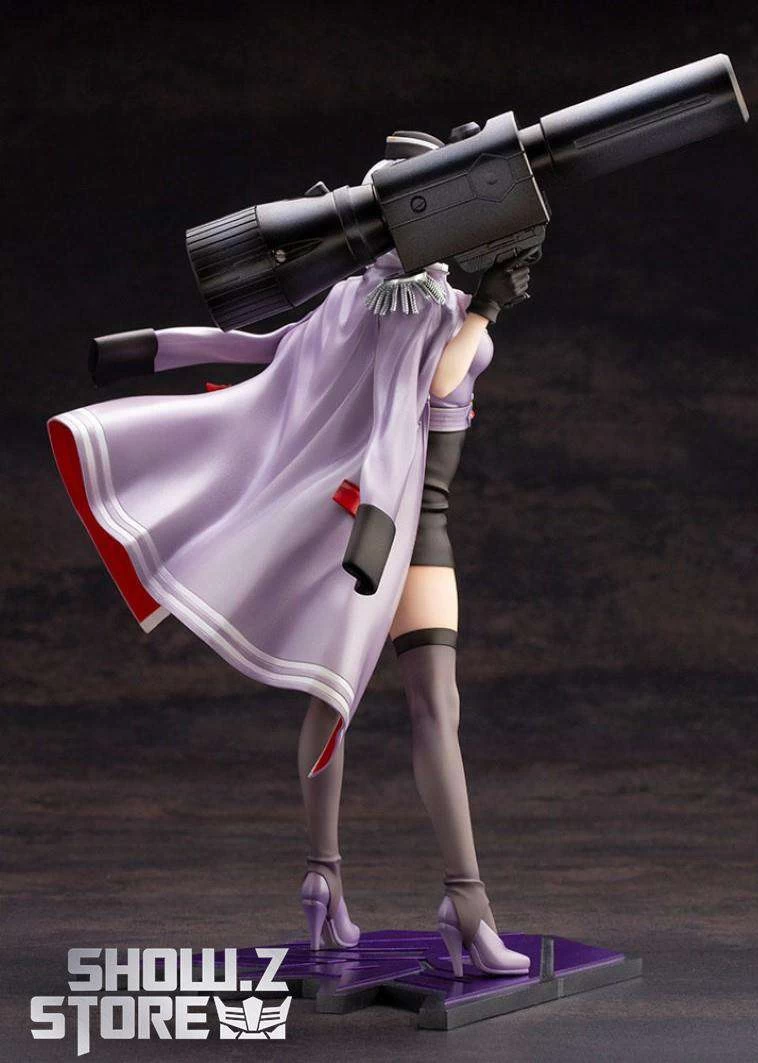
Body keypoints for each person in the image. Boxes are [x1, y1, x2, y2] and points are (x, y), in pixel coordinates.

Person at [47, 129, 534, 978]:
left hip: (360, 526)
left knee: (332, 698)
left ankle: (323, 879)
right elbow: (437, 382)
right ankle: (466, 902)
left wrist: (152, 347)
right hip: (404, 529)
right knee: (433, 709)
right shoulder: (438, 315)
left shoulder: (350, 297)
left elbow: (260, 349)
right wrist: (487, 306)